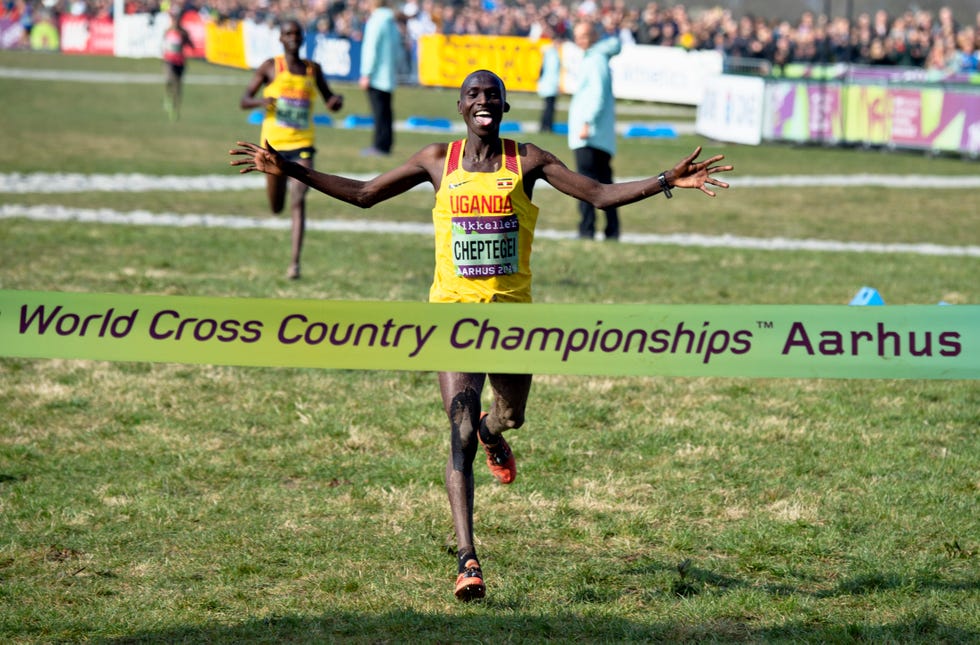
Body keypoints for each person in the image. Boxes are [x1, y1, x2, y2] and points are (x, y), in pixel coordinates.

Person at [230, 69, 732, 601]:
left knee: (508, 416)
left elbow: (600, 195)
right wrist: (290, 167)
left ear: (505, 106)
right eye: (473, 95)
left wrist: (663, 181)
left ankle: (497, 435)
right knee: (459, 430)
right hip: (453, 318)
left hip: (514, 320)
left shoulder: (529, 160)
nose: (483, 101)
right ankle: (468, 558)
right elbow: (364, 193)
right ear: (461, 106)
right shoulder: (434, 161)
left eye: (492, 94)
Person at [240, 19, 344, 280]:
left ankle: (294, 264)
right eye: (288, 34)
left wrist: (335, 102)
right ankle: (278, 205)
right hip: (273, 146)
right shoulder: (270, 67)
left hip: (303, 144)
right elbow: (244, 100)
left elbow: (329, 99)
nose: (293, 38)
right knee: (277, 206)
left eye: (297, 34)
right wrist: (260, 101)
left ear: (303, 38)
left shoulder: (312, 70)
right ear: (280, 38)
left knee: (299, 197)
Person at [568, 20, 621, 241]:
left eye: (584, 35)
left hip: (590, 135)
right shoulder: (595, 57)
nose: (580, 40)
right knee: (603, 184)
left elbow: (598, 95)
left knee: (586, 186)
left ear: (594, 36)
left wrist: (587, 122)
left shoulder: (595, 59)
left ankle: (587, 229)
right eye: (577, 35)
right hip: (596, 135)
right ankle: (611, 230)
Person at [359, 0, 401, 156]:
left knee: (378, 112)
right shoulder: (391, 22)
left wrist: (366, 73)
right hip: (388, 74)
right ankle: (386, 144)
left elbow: (371, 48)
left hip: (376, 75)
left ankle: (379, 146)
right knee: (386, 111)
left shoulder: (375, 21)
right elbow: (397, 48)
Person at [162, 6, 193, 122]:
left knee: (178, 87)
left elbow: (190, 44)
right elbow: (164, 44)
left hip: (180, 62)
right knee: (168, 80)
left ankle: (175, 109)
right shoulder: (167, 31)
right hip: (168, 61)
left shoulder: (183, 32)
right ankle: (167, 97)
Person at [536, 26, 563, 134]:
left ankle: (545, 126)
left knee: (548, 107)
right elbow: (552, 71)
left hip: (548, 84)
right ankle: (547, 126)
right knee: (549, 107)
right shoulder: (552, 54)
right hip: (550, 85)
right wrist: (557, 84)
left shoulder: (549, 52)